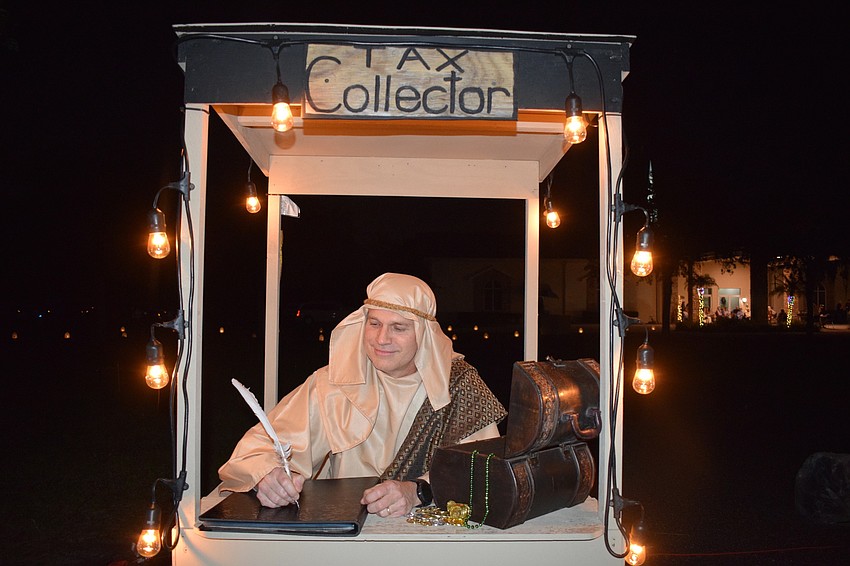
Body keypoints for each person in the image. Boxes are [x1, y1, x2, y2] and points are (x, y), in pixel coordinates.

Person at [218, 273, 507, 518]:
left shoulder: (459, 385)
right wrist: (267, 477)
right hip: (343, 536)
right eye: (375, 323)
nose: (382, 339)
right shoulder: (331, 384)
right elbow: (258, 448)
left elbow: (485, 471)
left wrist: (418, 490)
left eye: (399, 327)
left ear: (425, 336)